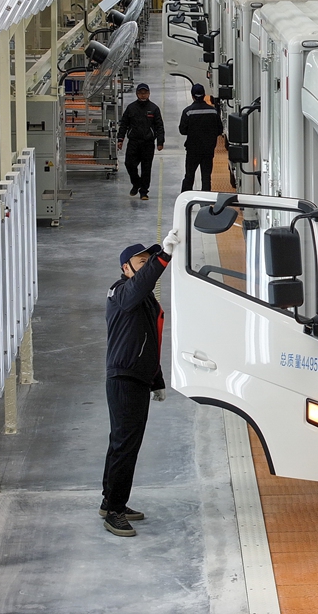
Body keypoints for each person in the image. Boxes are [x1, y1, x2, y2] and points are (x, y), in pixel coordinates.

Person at [101, 229, 181, 537]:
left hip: (136, 378)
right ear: (125, 268)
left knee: (123, 443)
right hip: (123, 378)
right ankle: (115, 511)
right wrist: (163, 257)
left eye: (149, 260)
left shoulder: (144, 300)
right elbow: (141, 284)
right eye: (141, 261)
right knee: (124, 445)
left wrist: (156, 378)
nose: (146, 265)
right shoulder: (121, 292)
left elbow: (150, 341)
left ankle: (111, 502)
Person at [117, 83, 165, 201]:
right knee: (129, 164)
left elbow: (159, 126)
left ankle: (144, 191)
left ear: (149, 93)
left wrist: (160, 142)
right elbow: (124, 124)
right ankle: (136, 183)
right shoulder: (131, 108)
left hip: (148, 143)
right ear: (137, 94)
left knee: (146, 168)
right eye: (140, 93)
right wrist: (120, 139)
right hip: (133, 142)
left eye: (145, 93)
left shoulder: (154, 108)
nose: (143, 95)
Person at [178, 83, 223, 192]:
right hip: (208, 150)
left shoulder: (188, 111)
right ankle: (206, 204)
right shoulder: (213, 111)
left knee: (189, 176)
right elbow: (220, 130)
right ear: (204, 95)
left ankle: (185, 201)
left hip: (193, 150)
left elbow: (182, 130)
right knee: (206, 177)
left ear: (192, 95)